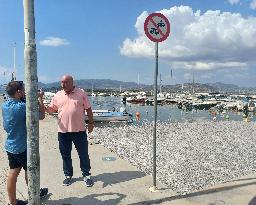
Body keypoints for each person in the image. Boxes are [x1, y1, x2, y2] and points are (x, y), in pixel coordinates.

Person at [2, 81, 48, 205]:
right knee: (30, 171)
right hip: (22, 146)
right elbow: (42, 115)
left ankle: (13, 202)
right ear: (18, 92)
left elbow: (20, 104)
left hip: (11, 145)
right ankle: (34, 196)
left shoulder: (5, 105)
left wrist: (25, 98)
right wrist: (40, 98)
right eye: (22, 89)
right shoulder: (23, 107)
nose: (24, 91)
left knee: (13, 172)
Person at [45, 75, 94, 187]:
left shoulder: (81, 93)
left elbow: (88, 109)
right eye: (62, 82)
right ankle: (68, 175)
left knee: (83, 154)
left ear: (72, 82)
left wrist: (91, 123)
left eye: (66, 82)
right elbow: (51, 109)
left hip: (79, 131)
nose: (63, 84)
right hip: (63, 131)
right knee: (65, 154)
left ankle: (86, 175)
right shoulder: (58, 95)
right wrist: (41, 104)